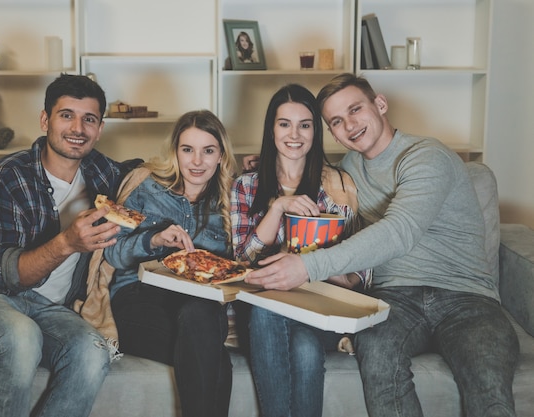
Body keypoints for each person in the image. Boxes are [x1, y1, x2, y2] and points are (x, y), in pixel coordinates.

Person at [245, 73, 520, 417]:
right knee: (377, 356)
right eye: (337, 121)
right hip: (395, 299)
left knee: (487, 384)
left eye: (355, 109)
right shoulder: (347, 172)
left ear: (380, 104)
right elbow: (308, 172)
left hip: (466, 298)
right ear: (331, 132)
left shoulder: (426, 156)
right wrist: (269, 164)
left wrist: (307, 265)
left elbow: (399, 231)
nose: (350, 125)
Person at [0, 74, 132, 417]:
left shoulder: (103, 172)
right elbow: (5, 275)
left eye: (89, 119)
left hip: (52, 308)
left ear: (100, 129)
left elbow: (147, 176)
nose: (77, 128)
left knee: (96, 349)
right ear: (45, 120)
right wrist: (67, 242)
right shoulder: (7, 177)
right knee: (21, 337)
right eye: (66, 115)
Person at [231, 84, 369, 417]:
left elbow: (360, 272)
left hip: (319, 304)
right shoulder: (246, 185)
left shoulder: (338, 185)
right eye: (284, 124)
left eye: (305, 125)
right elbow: (241, 260)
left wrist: (314, 265)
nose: (295, 134)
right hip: (261, 307)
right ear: (271, 129)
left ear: (315, 132)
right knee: (290, 334)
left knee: (307, 343)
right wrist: (277, 207)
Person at [103, 110, 238, 417]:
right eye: (187, 149)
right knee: (215, 358)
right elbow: (112, 253)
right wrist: (153, 240)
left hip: (199, 304)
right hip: (139, 299)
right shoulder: (147, 186)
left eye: (208, 151)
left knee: (200, 316)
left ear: (220, 156)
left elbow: (243, 263)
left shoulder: (230, 201)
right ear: (175, 151)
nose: (197, 161)